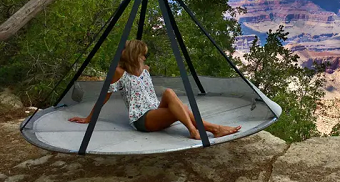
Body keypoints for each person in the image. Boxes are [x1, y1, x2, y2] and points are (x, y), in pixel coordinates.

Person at [69, 39, 241, 140]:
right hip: (142, 119)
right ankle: (205, 130)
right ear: (133, 54)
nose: (144, 57)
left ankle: (203, 130)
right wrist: (89, 119)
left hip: (154, 110)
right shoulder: (118, 72)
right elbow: (104, 97)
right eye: (142, 54)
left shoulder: (145, 69)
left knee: (169, 94)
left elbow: (148, 85)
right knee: (182, 110)